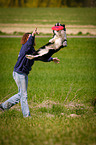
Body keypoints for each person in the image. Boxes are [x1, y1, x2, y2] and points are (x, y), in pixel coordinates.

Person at [0, 28, 60, 118]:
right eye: (28, 37)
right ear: (25, 39)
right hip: (19, 73)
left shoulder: (31, 50)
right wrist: (32, 35)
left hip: (23, 74)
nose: (31, 39)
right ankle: (26, 116)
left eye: (31, 38)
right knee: (23, 95)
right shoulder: (25, 47)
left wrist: (51, 59)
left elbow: (40, 56)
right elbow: (28, 44)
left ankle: (3, 106)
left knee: (21, 94)